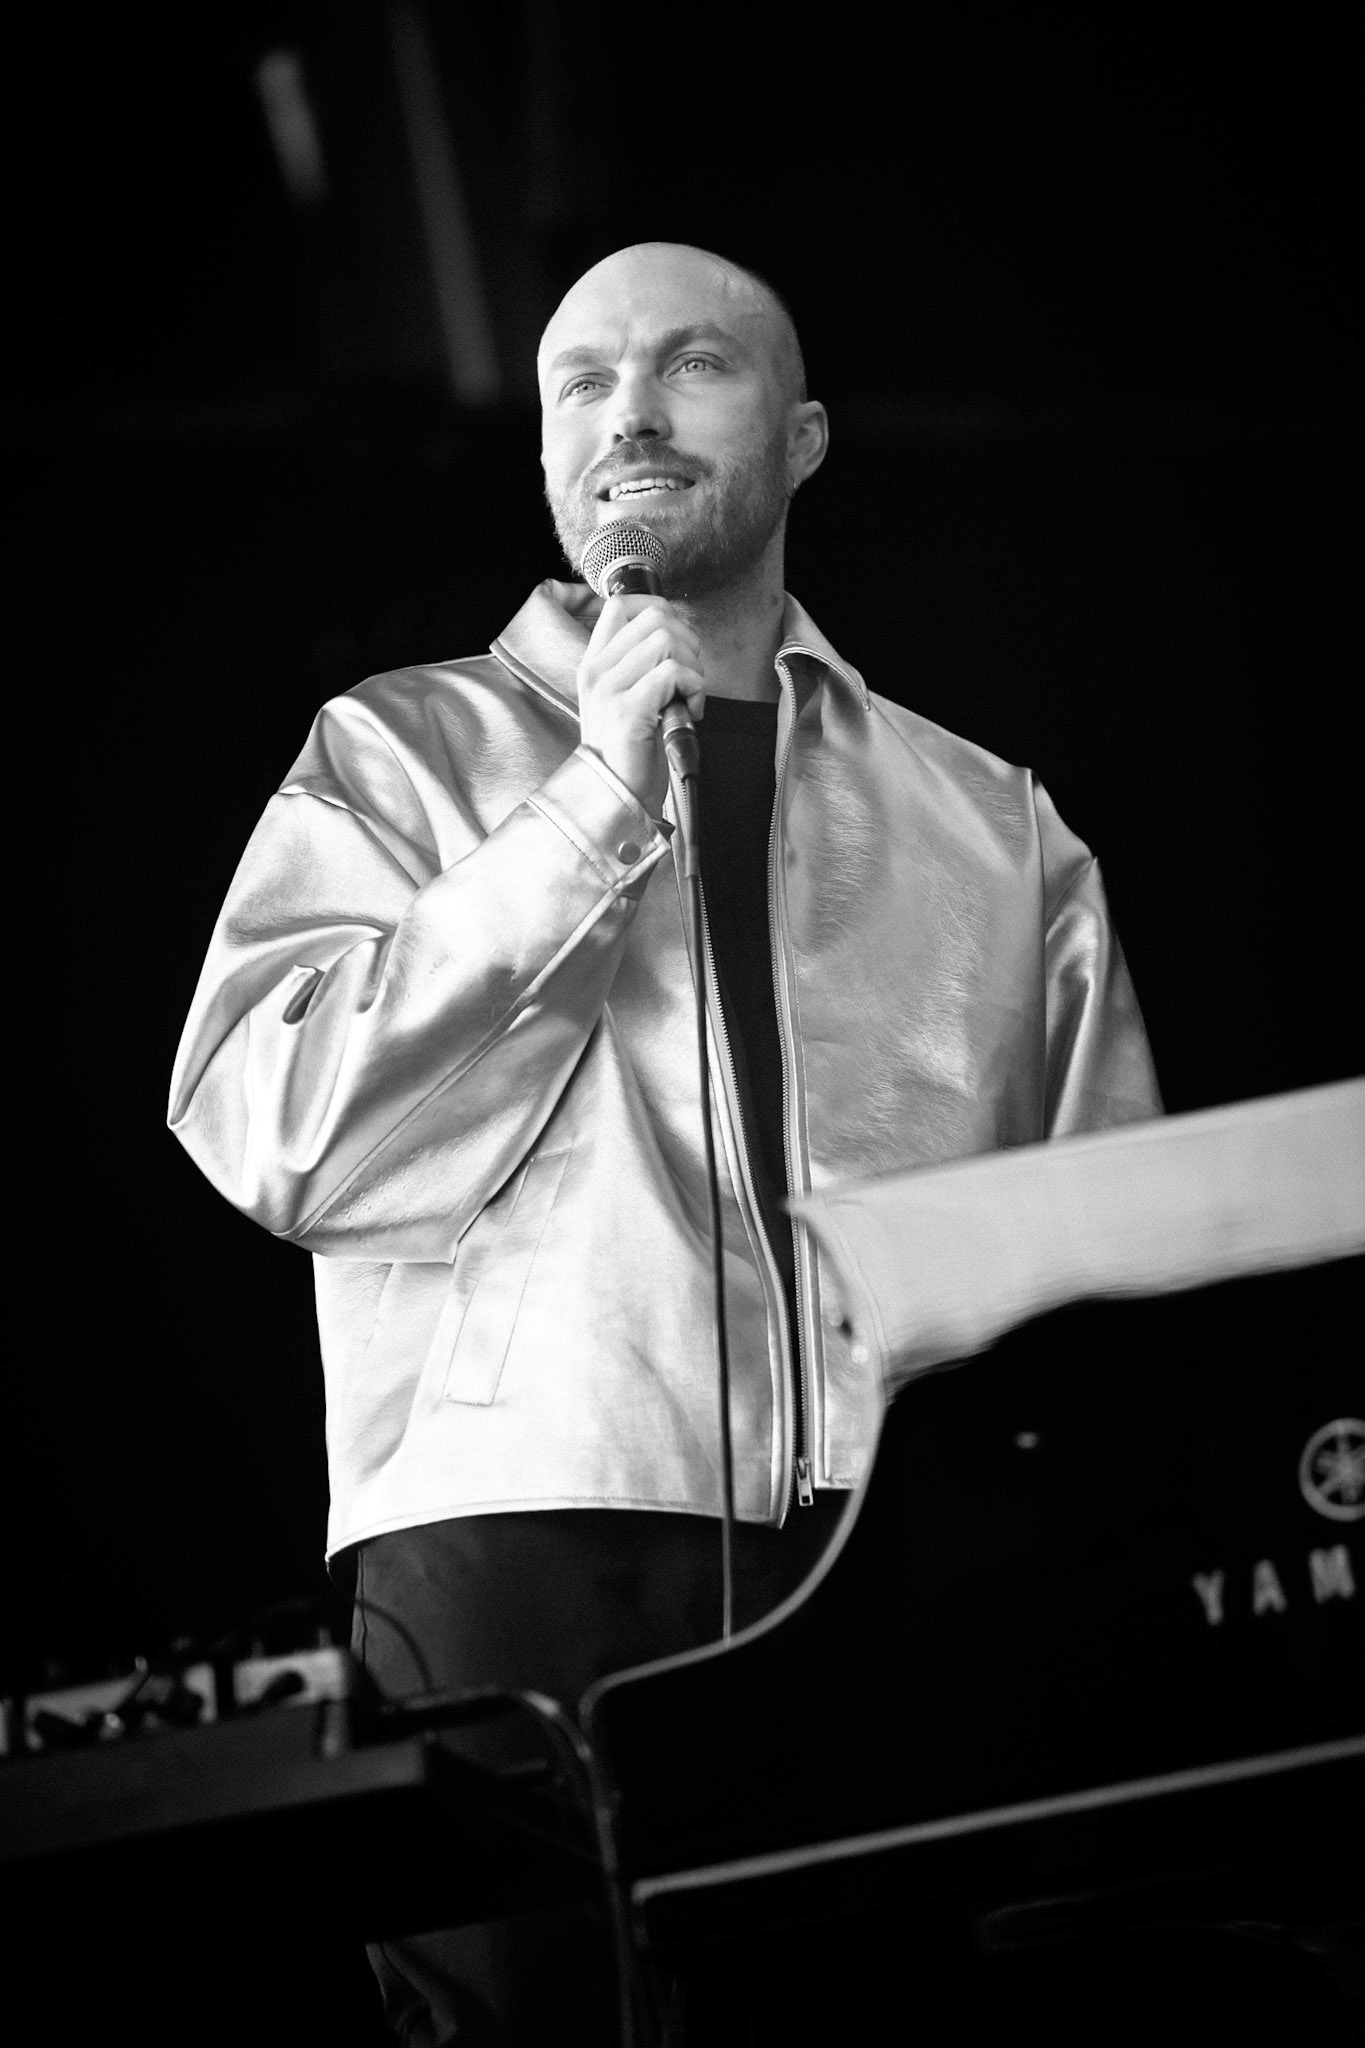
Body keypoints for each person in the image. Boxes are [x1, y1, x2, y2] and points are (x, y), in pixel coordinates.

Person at [169, 242, 1162, 2043]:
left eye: (688, 365)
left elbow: (1113, 1294)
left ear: (800, 436)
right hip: (515, 1539)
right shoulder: (393, 754)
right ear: (548, 455)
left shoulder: (994, 830)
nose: (624, 409)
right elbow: (276, 1131)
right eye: (577, 381)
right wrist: (587, 808)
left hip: (892, 1563)